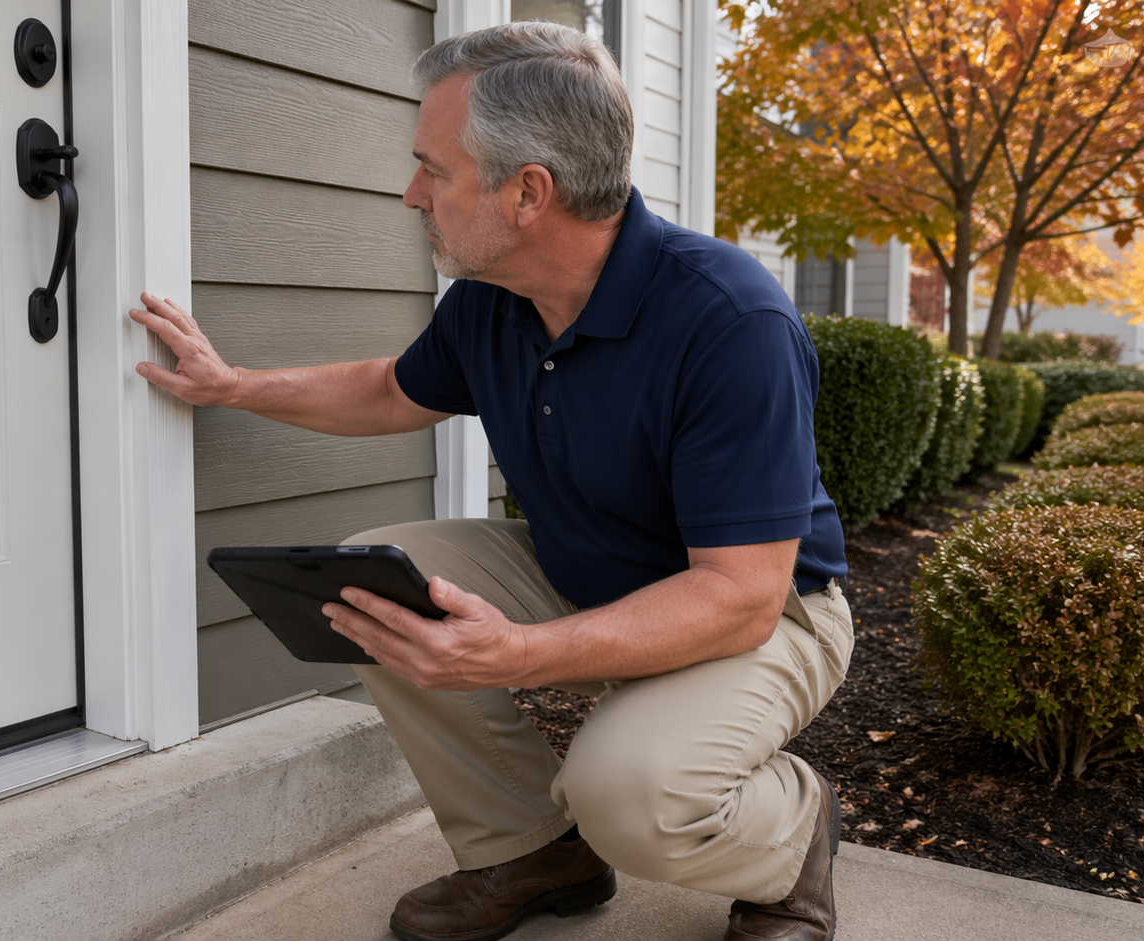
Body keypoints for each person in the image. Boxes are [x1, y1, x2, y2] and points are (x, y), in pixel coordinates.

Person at [130, 21, 852, 941]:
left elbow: (738, 597)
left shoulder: (728, 321)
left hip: (763, 608)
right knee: (371, 579)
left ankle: (794, 837)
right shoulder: (493, 299)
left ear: (527, 192)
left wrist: (518, 653)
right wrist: (232, 385)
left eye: (433, 169)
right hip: (589, 567)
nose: (412, 193)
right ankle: (532, 849)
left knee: (626, 794)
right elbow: (391, 390)